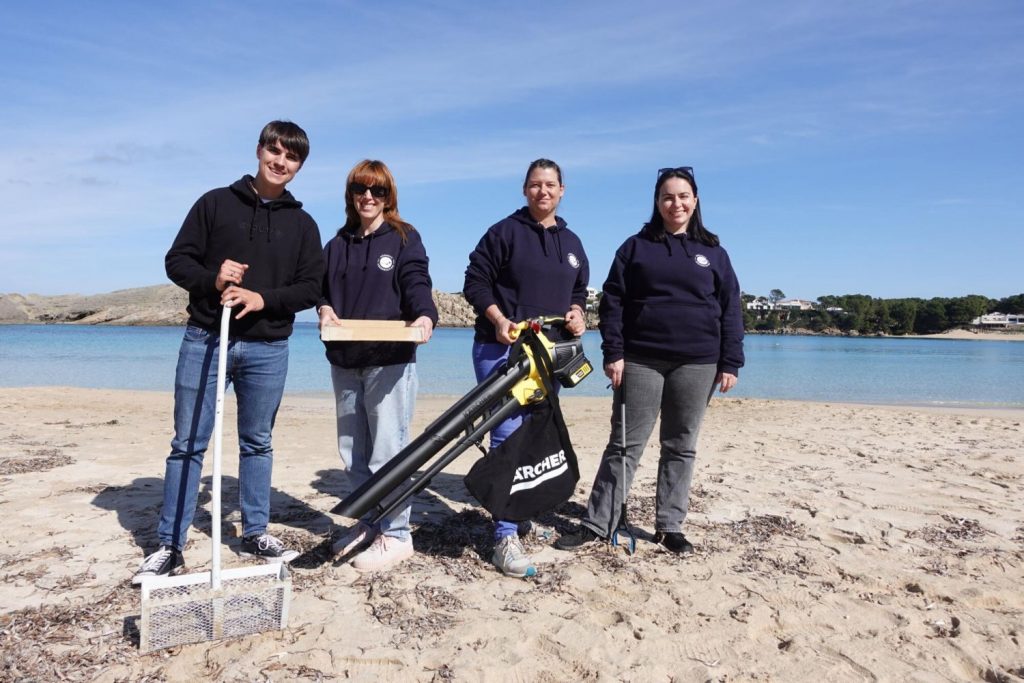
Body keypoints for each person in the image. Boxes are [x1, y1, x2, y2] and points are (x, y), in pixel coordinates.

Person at [132, 121, 324, 584]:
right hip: (206, 340)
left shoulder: (303, 223)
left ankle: (255, 531)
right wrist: (213, 280)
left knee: (257, 442)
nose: (281, 162)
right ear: (259, 151)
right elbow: (177, 260)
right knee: (188, 444)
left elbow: (311, 286)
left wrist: (263, 299)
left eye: (291, 157)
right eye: (274, 152)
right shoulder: (215, 203)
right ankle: (170, 544)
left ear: (299, 166)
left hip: (269, 348)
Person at [554, 166, 744, 555]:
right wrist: (615, 353)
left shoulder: (714, 253)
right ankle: (597, 523)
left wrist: (731, 361)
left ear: (695, 200)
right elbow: (613, 304)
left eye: (683, 196)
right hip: (641, 360)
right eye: (667, 197)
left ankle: (669, 527)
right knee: (625, 445)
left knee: (680, 445)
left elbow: (730, 310)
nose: (676, 203)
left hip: (698, 363)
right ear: (657, 203)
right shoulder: (636, 247)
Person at [463, 159, 589, 577]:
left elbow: (577, 293)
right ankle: (503, 535)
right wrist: (499, 320)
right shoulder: (504, 232)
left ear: (563, 190)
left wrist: (577, 314)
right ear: (524, 189)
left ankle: (518, 513)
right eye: (535, 185)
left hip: (549, 354)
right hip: (502, 349)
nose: (543, 192)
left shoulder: (571, 242)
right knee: (506, 434)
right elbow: (475, 281)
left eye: (550, 185)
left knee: (537, 434)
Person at [319, 160, 437, 572]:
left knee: (388, 449)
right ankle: (370, 522)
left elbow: (417, 281)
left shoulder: (403, 238)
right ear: (350, 194)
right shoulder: (337, 244)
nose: (368, 197)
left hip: (390, 360)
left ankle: (398, 533)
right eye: (360, 189)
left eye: (378, 191)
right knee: (354, 451)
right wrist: (324, 308)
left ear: (389, 196)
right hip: (345, 359)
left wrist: (425, 315)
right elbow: (323, 291)